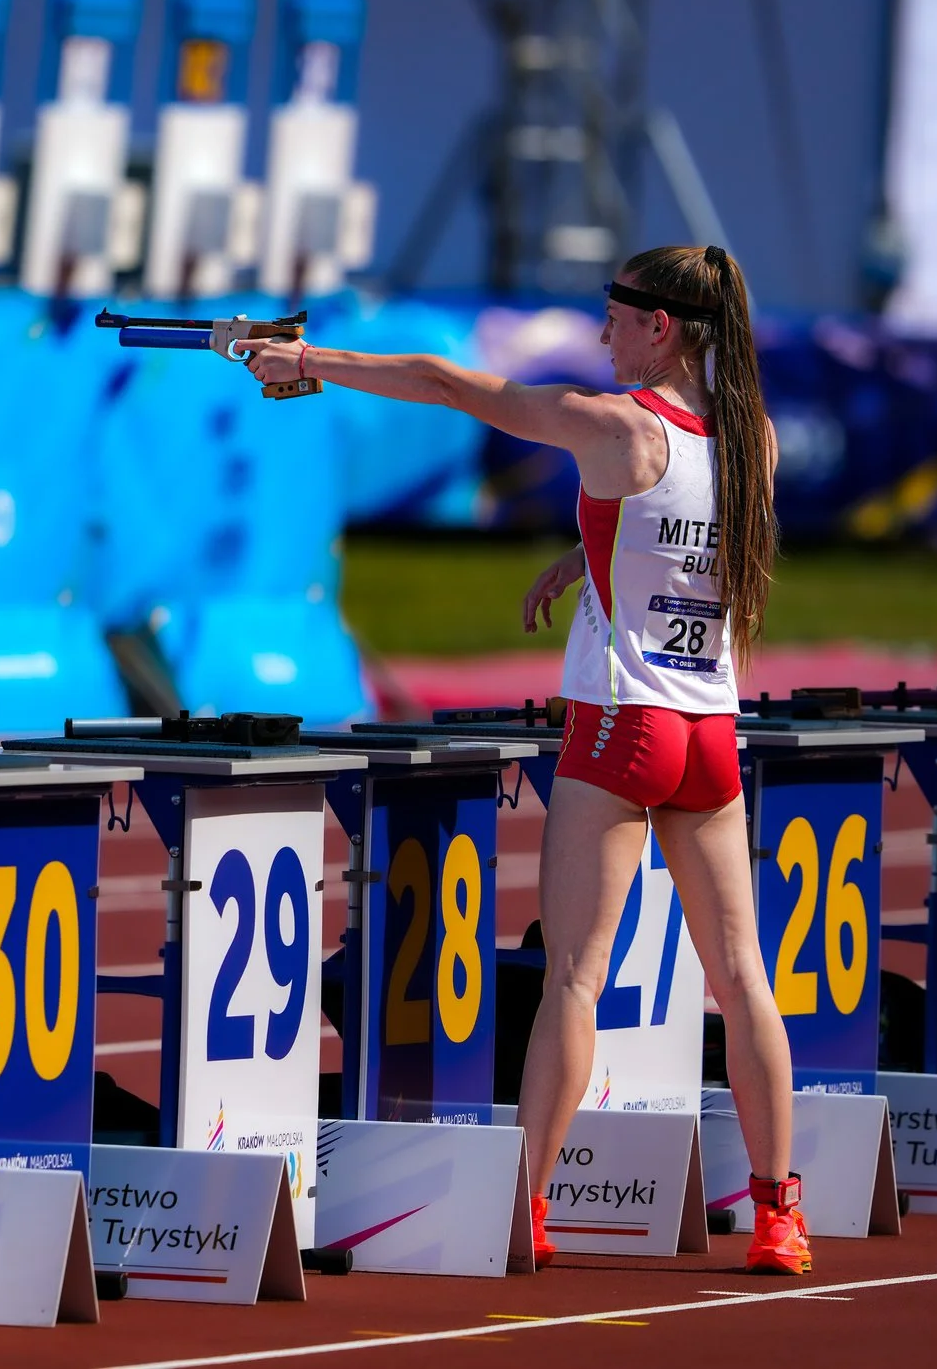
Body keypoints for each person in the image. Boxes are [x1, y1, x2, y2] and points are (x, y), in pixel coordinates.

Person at [236, 244, 805, 1277]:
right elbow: (680, 539)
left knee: (574, 981)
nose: (601, 335)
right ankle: (778, 1211)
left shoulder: (612, 426)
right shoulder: (749, 438)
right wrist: (580, 557)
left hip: (621, 726)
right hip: (711, 735)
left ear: (661, 327)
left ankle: (531, 1203)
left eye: (615, 318)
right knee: (742, 978)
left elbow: (450, 384)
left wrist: (309, 360)